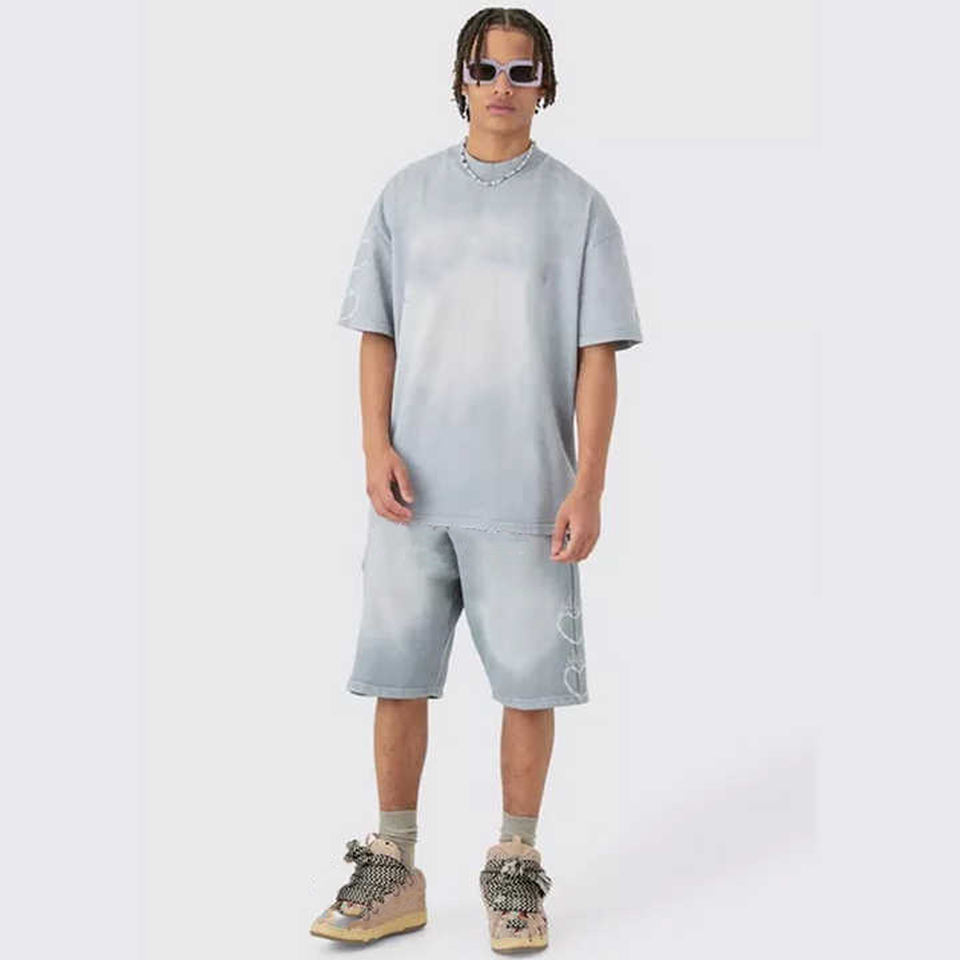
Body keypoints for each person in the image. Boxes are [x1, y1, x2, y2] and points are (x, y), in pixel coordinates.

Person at [311, 7, 642, 951]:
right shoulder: (406, 197)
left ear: (547, 85)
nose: (503, 86)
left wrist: (589, 485)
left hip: (528, 497)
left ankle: (515, 866)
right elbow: (377, 330)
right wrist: (373, 447)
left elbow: (596, 356)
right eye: (486, 69)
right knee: (398, 675)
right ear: (460, 78)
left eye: (521, 71)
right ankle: (394, 866)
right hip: (411, 494)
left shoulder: (578, 208)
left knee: (528, 687)